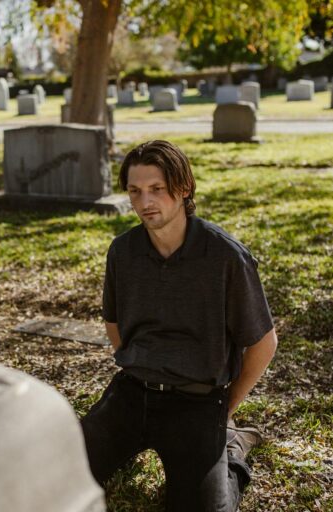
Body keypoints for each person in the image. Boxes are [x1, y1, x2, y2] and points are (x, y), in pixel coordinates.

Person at [81, 140, 278, 511]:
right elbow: (114, 322)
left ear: (183, 188)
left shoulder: (224, 256)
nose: (144, 203)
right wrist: (139, 358)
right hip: (131, 394)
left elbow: (264, 343)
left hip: (197, 402)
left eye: (156, 189)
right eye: (135, 191)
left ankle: (232, 446)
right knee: (57, 473)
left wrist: (224, 409)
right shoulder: (122, 251)